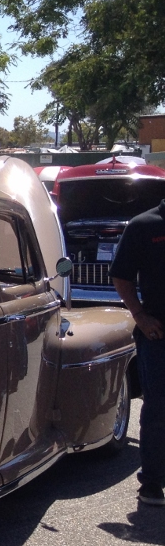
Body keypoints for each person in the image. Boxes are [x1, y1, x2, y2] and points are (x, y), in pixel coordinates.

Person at [111, 205, 165, 506]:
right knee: (158, 410)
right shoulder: (144, 225)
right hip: (158, 332)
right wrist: (140, 316)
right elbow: (121, 275)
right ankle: (152, 483)